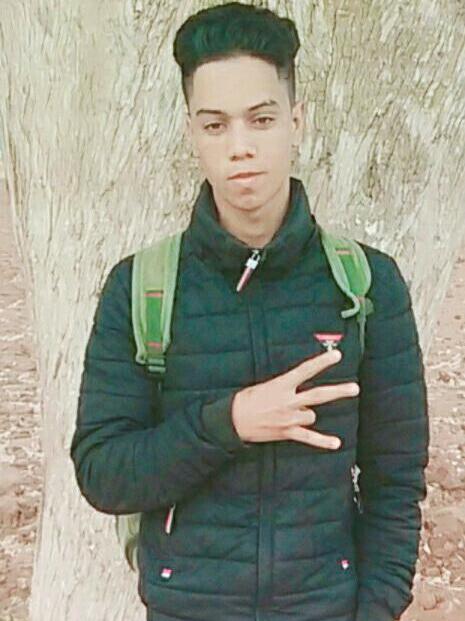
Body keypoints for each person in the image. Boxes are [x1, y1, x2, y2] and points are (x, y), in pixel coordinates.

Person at [70, 3, 430, 620]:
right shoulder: (142, 288)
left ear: (296, 120)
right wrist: (229, 422)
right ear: (192, 133)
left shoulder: (367, 287)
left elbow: (396, 483)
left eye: (261, 119)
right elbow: (103, 472)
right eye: (215, 125)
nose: (240, 148)